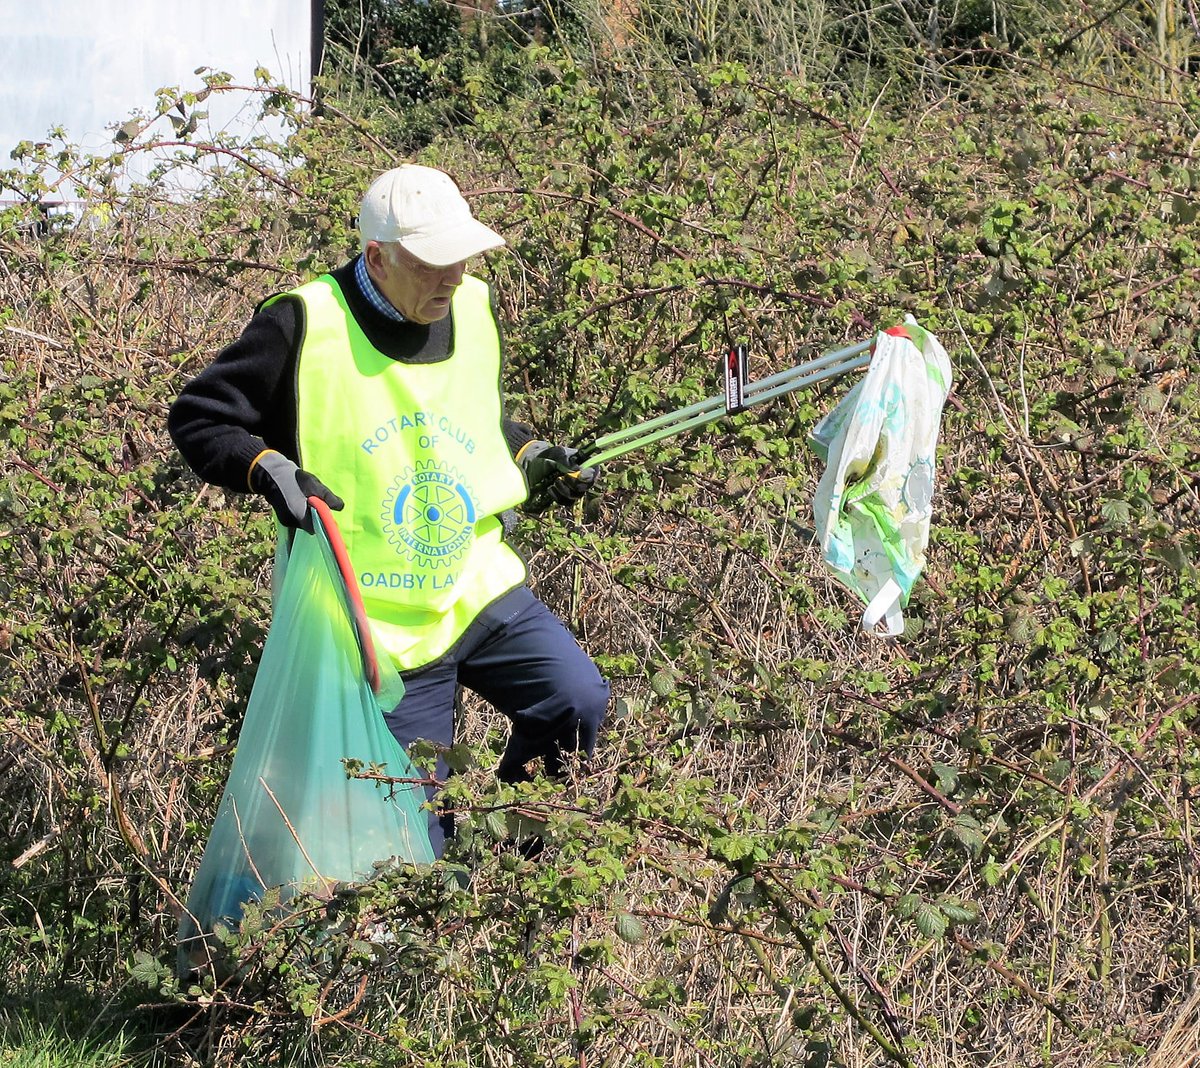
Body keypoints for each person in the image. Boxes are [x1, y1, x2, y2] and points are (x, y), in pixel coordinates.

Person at [169, 164, 610, 856]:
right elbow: (200, 418)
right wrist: (266, 468)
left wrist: (529, 455)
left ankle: (511, 862)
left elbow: (469, 422)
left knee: (576, 699)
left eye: (461, 256)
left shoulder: (470, 306)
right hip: (375, 626)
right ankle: (445, 893)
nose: (453, 276)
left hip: (472, 582)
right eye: (433, 262)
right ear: (376, 256)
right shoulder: (303, 321)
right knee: (407, 839)